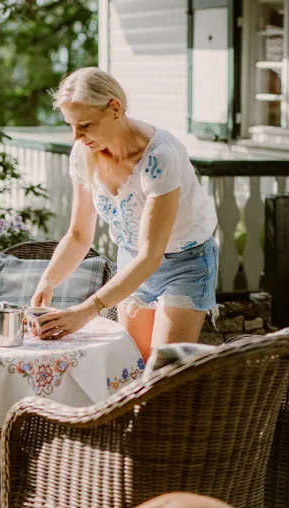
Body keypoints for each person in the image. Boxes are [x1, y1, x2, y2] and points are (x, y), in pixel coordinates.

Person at [31, 68, 219, 360]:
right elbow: (79, 235)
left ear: (115, 109)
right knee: (131, 368)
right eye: (70, 125)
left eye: (85, 125)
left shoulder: (160, 157)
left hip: (186, 263)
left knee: (162, 372)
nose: (76, 137)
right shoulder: (83, 154)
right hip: (132, 260)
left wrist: (87, 311)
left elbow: (151, 255)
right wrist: (47, 281)